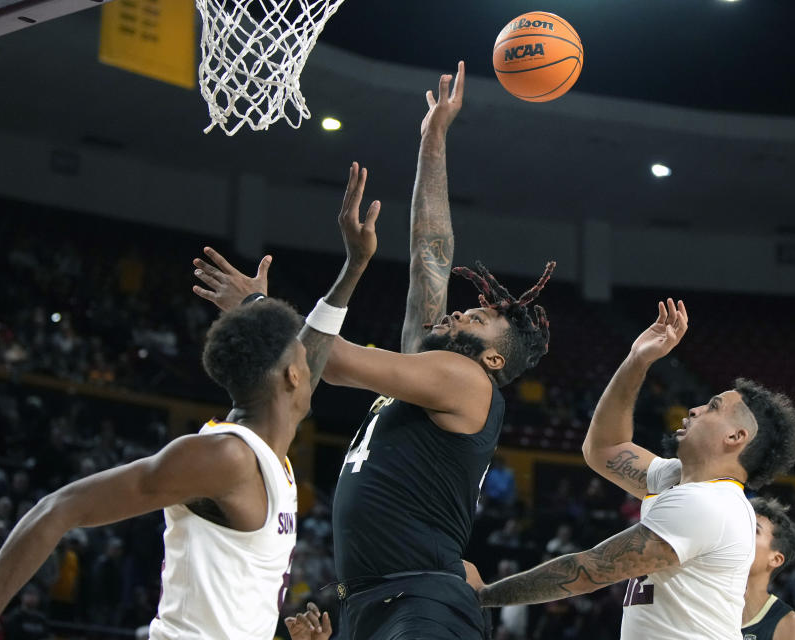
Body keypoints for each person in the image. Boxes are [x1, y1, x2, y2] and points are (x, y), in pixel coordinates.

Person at [193, 62, 555, 640]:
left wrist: (256, 310)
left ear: (492, 359)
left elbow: (328, 362)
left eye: (480, 319)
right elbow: (430, 255)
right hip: (376, 600)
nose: (462, 310)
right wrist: (433, 139)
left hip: (423, 598)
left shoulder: (465, 381)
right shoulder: (427, 375)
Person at [0, 162, 381, 640]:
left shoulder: (270, 454)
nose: (313, 364)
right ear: (292, 376)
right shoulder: (225, 457)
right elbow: (57, 509)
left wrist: (353, 268)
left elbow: (309, 353)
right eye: (303, 357)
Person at [468, 299, 795, 640]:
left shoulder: (710, 504)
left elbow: (589, 570)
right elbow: (604, 449)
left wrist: (484, 595)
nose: (694, 410)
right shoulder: (677, 480)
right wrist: (638, 359)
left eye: (713, 407)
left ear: (736, 437)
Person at [742, 497, 795, 640]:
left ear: (775, 559)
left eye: (754, 530)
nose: (739, 533)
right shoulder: (705, 608)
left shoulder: (792, 628)